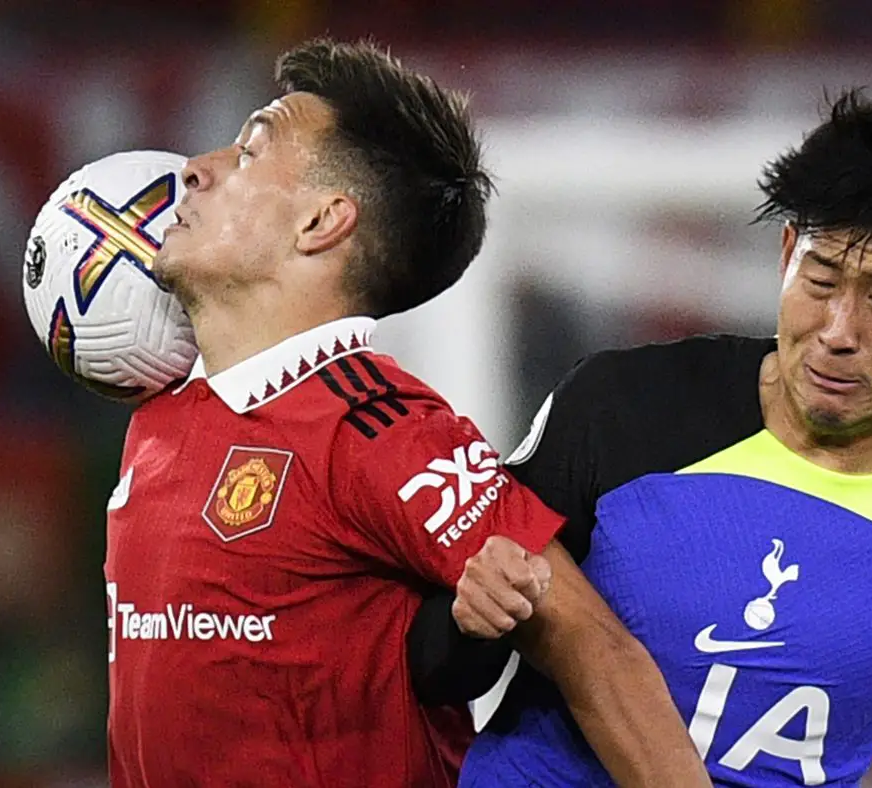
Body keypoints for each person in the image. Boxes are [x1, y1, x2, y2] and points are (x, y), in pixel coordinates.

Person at [104, 37, 710, 788]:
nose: (196, 169)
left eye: (251, 150)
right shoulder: (157, 418)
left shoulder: (382, 428)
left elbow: (596, 648)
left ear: (322, 222)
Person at [436, 90, 872, 786]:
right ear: (785, 255)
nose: (838, 330)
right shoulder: (621, 408)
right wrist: (466, 621)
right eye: (820, 276)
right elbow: (442, 659)